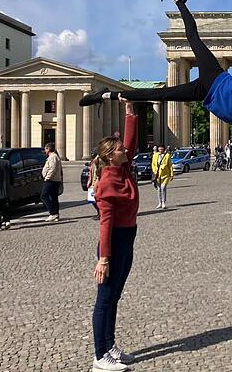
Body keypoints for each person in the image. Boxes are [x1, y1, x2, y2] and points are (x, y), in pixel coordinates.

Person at [79, 0, 232, 179]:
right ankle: (179, 0)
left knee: (161, 95)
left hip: (208, 90)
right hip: (216, 79)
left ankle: (107, 95)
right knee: (193, 37)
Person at [90, 98, 139, 372]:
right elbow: (105, 224)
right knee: (104, 299)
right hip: (114, 243)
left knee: (115, 296)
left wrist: (129, 112)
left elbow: (130, 142)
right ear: (110, 156)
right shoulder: (107, 183)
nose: (125, 151)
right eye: (120, 150)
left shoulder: (124, 168)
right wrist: (104, 259)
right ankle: (99, 356)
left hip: (128, 237)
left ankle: (109, 346)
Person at [41, 142, 63, 222]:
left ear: (48, 149)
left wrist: (47, 177)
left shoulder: (53, 157)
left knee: (44, 196)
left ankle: (52, 213)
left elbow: (52, 169)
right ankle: (56, 214)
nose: (45, 151)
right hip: (54, 180)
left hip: (51, 180)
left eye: (45, 149)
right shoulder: (54, 156)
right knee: (54, 197)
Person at [151, 145, 174, 209]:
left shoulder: (167, 155)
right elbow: (153, 164)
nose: (160, 150)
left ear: (164, 149)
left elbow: (170, 165)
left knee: (163, 187)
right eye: (159, 149)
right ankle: (160, 203)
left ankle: (163, 202)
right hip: (157, 174)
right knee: (159, 189)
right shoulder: (155, 155)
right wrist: (154, 170)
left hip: (165, 174)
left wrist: (171, 174)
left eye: (161, 149)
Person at [88, 155, 102, 220]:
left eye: (93, 153)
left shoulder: (99, 160)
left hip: (97, 182)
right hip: (92, 183)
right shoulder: (93, 161)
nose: (91, 154)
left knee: (96, 200)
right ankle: (99, 213)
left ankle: (100, 213)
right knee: (92, 200)